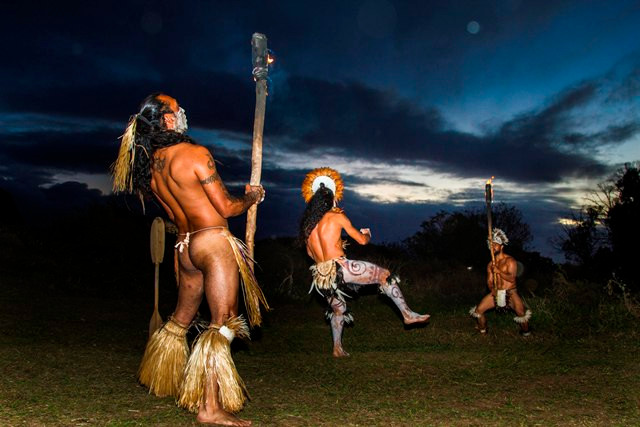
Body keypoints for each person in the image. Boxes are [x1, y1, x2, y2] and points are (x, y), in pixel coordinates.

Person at [111, 93, 268, 426]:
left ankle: (161, 376)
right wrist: (251, 197)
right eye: (176, 108)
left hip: (183, 247)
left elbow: (173, 214)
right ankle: (209, 408)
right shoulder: (196, 154)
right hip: (212, 243)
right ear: (167, 119)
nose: (182, 112)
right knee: (222, 323)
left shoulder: (152, 168)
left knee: (180, 321)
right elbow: (226, 208)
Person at [299, 167, 430, 357]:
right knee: (385, 275)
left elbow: (311, 255)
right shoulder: (337, 217)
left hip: (321, 278)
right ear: (331, 200)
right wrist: (367, 234)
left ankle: (337, 348)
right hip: (340, 267)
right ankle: (407, 314)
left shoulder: (308, 229)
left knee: (339, 310)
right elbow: (361, 241)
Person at [469, 228, 531, 336]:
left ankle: (526, 333)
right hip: (496, 292)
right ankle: (483, 330)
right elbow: (489, 281)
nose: (492, 247)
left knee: (521, 313)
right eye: (491, 245)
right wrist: (493, 290)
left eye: (495, 245)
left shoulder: (510, 261)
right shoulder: (490, 264)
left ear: (501, 246)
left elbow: (511, 278)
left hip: (511, 292)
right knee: (478, 311)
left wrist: (498, 271)